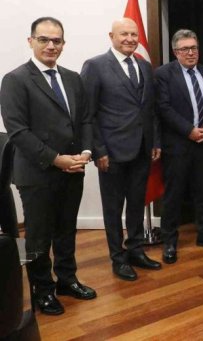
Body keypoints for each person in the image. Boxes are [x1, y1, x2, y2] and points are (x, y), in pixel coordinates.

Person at [0, 17, 96, 315]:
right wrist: (56, 159)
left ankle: (67, 280)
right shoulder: (15, 80)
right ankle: (42, 290)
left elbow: (85, 120)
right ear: (31, 41)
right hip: (37, 173)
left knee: (66, 230)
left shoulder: (73, 78)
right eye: (44, 39)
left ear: (63, 44)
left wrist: (86, 151)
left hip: (73, 169)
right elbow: (18, 132)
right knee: (39, 236)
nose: (51, 45)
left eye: (57, 40)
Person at [81, 18, 162, 281]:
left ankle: (135, 250)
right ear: (111, 36)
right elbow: (88, 114)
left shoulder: (144, 65)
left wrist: (154, 141)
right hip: (111, 153)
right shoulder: (95, 66)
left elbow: (150, 109)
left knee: (137, 204)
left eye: (134, 34)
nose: (130, 39)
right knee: (113, 209)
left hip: (142, 149)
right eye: (124, 34)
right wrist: (98, 150)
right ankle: (117, 258)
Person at [155, 29, 203, 264]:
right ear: (175, 52)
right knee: (174, 195)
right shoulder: (163, 74)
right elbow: (164, 108)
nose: (190, 53)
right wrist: (189, 131)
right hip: (178, 145)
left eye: (194, 48)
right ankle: (169, 241)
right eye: (185, 49)